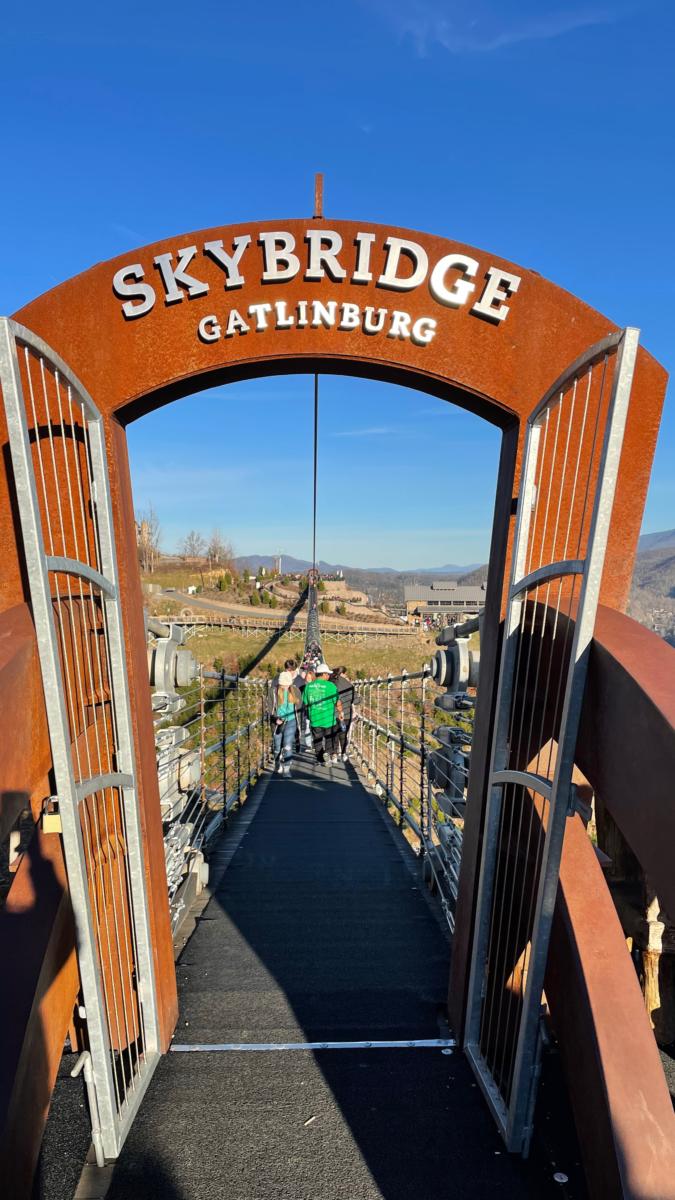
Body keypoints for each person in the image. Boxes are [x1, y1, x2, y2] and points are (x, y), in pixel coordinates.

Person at [303, 662, 343, 765]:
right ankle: (327, 753)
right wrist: (340, 712)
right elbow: (337, 701)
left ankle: (320, 758)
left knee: (317, 740)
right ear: (324, 674)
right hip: (328, 718)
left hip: (315, 717)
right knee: (329, 739)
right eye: (328, 674)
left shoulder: (308, 686)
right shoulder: (331, 686)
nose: (329, 676)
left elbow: (305, 702)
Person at [272, 669, 300, 776]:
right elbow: (269, 708)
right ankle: (277, 763)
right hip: (278, 721)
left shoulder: (295, 691)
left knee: (287, 744)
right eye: (283, 685)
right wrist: (275, 719)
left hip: (291, 720)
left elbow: (300, 707)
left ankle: (287, 769)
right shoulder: (273, 691)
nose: (285, 687)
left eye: (287, 685)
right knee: (277, 746)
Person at [332, 666, 356, 762]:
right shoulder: (348, 685)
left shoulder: (331, 683)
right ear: (342, 673)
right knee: (343, 734)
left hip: (333, 714)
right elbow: (356, 700)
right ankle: (343, 753)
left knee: (334, 734)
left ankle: (334, 754)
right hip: (346, 714)